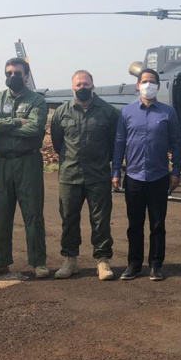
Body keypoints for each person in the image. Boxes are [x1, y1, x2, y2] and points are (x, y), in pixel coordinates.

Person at [0, 58, 49, 279]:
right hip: (2, 162)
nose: (13, 76)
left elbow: (35, 128)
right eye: (9, 72)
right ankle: (0, 262)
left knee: (33, 213)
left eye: (17, 73)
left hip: (28, 162)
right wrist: (17, 122)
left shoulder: (37, 100)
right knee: (2, 214)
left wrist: (4, 125)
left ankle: (38, 262)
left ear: (26, 76)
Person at [112, 68, 181, 281]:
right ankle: (134, 264)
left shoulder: (168, 112)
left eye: (152, 81)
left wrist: (177, 171)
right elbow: (119, 143)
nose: (148, 85)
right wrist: (116, 171)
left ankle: (156, 264)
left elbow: (177, 144)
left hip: (159, 176)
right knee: (134, 223)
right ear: (138, 85)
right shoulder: (127, 112)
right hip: (133, 176)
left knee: (157, 223)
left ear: (158, 86)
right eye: (144, 81)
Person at [50, 70, 119, 281]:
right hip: (70, 175)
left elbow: (114, 143)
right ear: (73, 87)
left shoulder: (108, 112)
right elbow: (57, 143)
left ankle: (103, 261)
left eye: (85, 84)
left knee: (100, 220)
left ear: (93, 86)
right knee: (69, 219)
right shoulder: (61, 113)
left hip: (98, 175)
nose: (82, 87)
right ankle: (70, 260)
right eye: (78, 85)